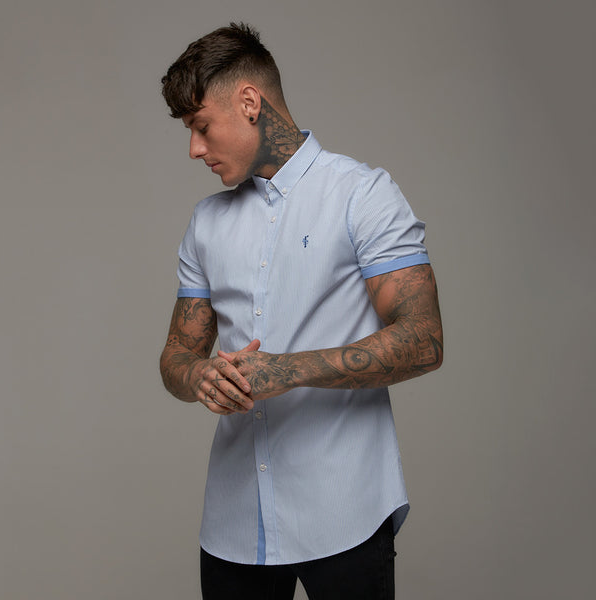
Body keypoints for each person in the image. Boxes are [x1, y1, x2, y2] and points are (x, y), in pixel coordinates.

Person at [159, 23, 443, 600]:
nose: (194, 149)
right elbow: (176, 357)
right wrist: (199, 375)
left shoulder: (361, 195)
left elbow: (423, 339)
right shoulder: (205, 223)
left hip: (346, 512)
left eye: (201, 126)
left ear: (249, 102)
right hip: (233, 525)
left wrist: (287, 370)